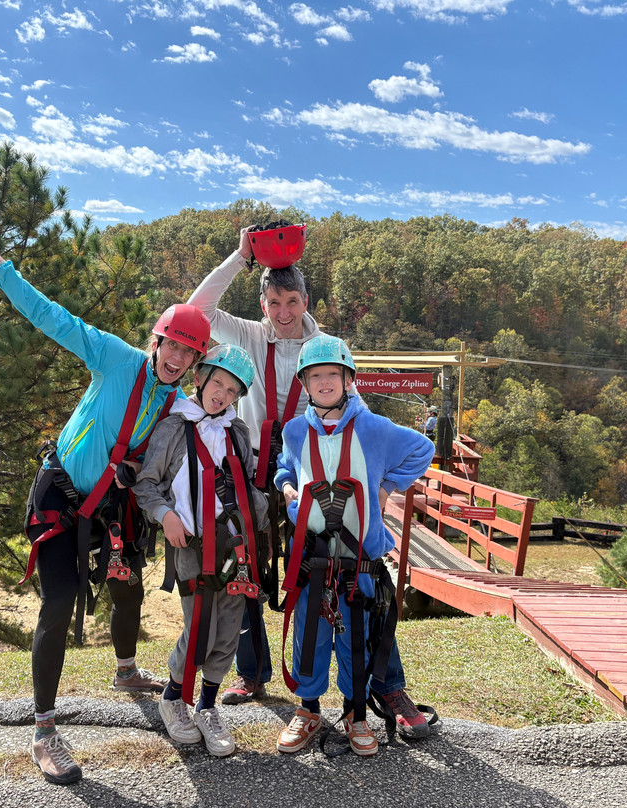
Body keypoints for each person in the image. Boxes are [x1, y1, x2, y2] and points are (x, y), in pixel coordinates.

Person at [0, 231, 211, 786]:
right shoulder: (114, 358)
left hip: (110, 509)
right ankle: (44, 731)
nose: (175, 356)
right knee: (60, 603)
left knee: (127, 585)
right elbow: (53, 318)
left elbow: (218, 415)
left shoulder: (177, 405)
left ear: (194, 360)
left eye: (187, 351)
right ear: (155, 341)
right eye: (170, 344)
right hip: (61, 498)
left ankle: (124, 671)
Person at [188, 224, 435, 740]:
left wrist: (383, 483)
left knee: (357, 574)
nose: (282, 312)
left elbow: (358, 413)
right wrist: (238, 258)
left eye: (292, 301)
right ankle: (253, 673)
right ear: (263, 303)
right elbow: (199, 311)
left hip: (318, 474)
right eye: (274, 302)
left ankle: (386, 683)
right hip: (258, 467)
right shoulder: (251, 335)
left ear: (306, 300)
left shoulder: (324, 351)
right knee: (247, 566)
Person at [274, 335, 434, 756]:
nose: (324, 381)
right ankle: (308, 711)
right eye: (315, 375)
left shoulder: (374, 427)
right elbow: (285, 465)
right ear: (304, 383)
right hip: (312, 556)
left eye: (333, 374)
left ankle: (355, 713)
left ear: (348, 379)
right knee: (309, 635)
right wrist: (289, 489)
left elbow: (423, 448)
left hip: (358, 559)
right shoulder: (294, 430)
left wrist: (386, 488)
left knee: (355, 636)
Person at [134, 343, 269, 757]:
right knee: (199, 630)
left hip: (235, 545)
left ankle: (208, 707)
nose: (222, 395)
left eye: (232, 391)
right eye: (218, 384)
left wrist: (259, 514)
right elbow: (148, 485)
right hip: (192, 543)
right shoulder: (174, 429)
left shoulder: (237, 432)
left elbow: (246, 486)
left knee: (228, 630)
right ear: (199, 378)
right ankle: (173, 697)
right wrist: (164, 515)